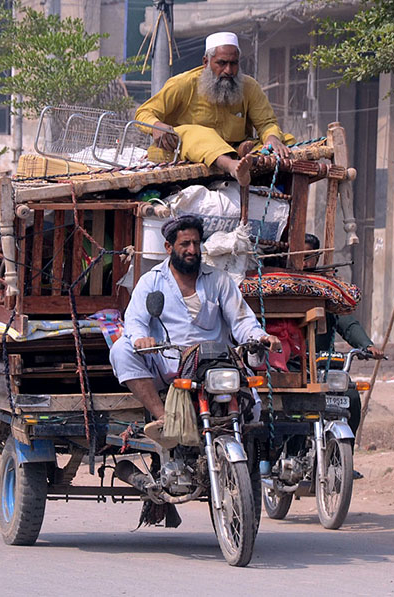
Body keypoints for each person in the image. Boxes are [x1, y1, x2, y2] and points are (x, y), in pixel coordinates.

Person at [109, 215, 281, 442]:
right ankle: (165, 421)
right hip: (168, 361)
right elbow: (136, 320)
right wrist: (142, 338)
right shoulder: (151, 282)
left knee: (251, 413)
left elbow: (241, 320)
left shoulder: (218, 279)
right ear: (169, 247)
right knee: (121, 349)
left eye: (196, 244)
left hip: (213, 362)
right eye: (185, 244)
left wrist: (261, 336)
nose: (192, 250)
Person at [135, 31, 293, 186]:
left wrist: (272, 138)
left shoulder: (249, 86)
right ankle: (232, 167)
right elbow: (143, 113)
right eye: (222, 63)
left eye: (234, 63)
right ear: (206, 62)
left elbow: (266, 122)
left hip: (233, 148)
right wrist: (156, 126)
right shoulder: (183, 84)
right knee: (198, 132)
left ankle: (243, 158)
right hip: (183, 150)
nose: (229, 71)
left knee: (286, 141)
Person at [305, 233, 384, 466]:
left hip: (321, 365)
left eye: (308, 257)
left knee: (350, 397)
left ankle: (342, 460)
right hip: (289, 365)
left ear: (317, 257)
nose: (304, 263)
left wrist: (366, 345)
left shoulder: (327, 289)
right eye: (300, 256)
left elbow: (347, 322)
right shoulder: (275, 284)